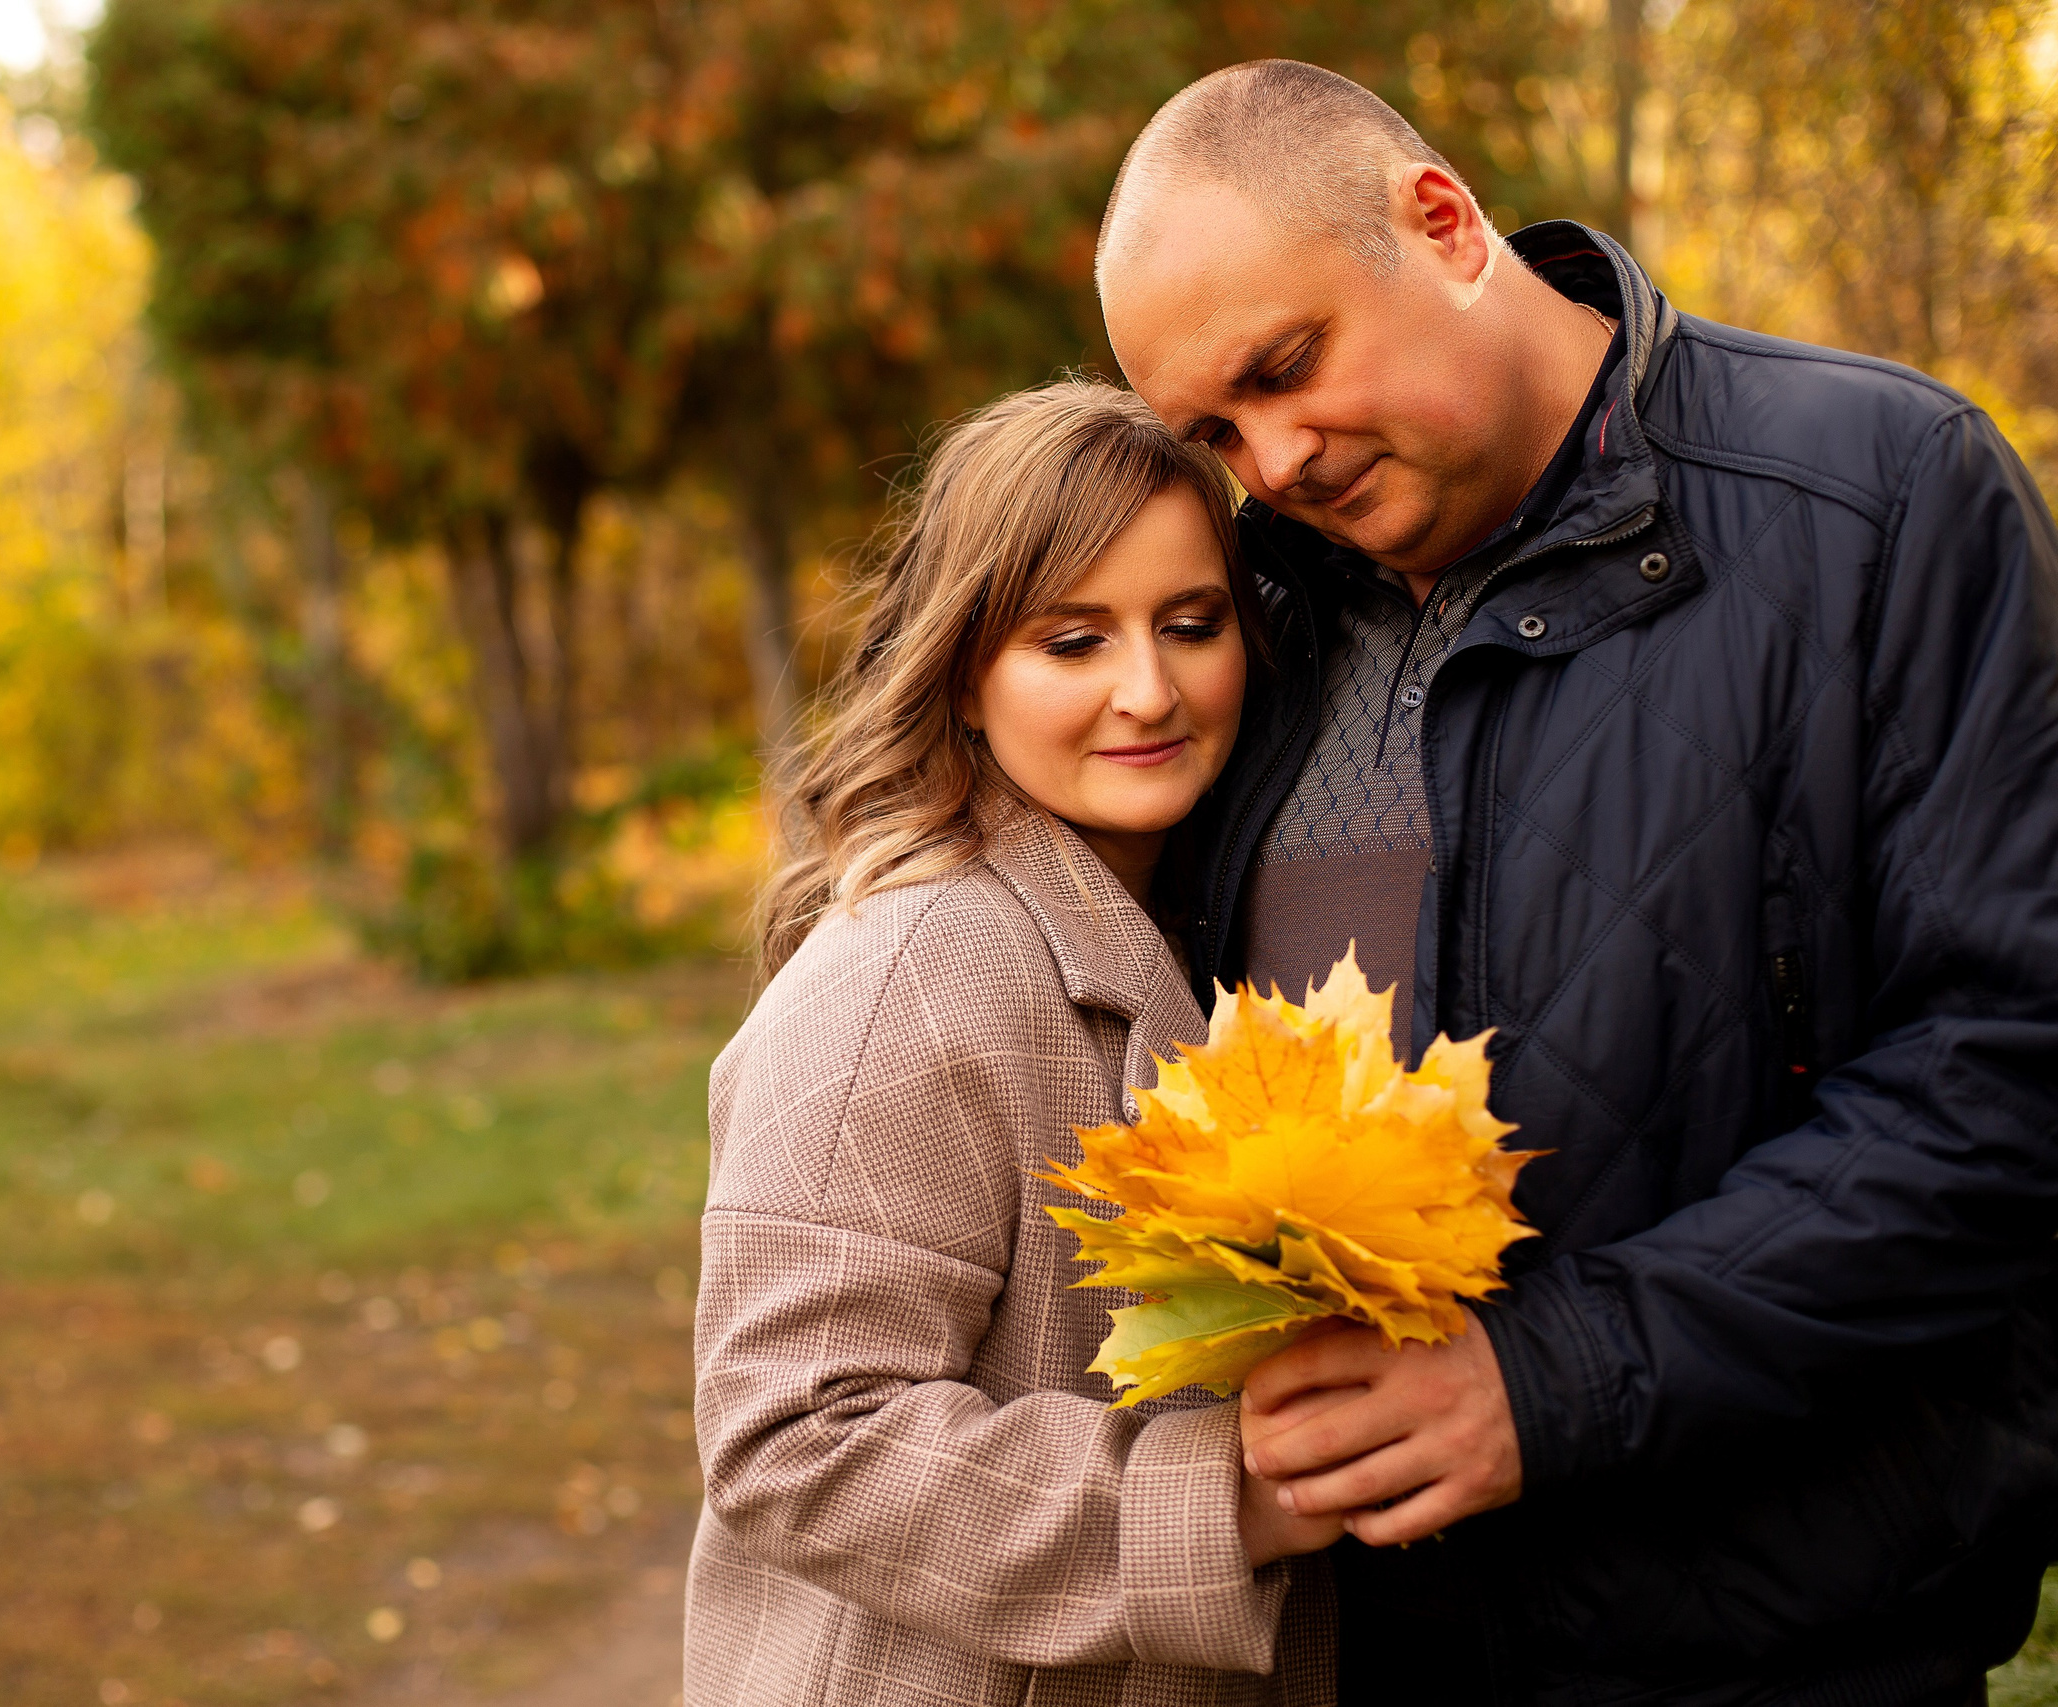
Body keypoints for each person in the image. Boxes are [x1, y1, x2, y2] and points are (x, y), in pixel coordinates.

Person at [1094, 58, 2058, 1707]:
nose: (1274, 461)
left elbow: (2011, 1078)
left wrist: (1549, 1384)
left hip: (1788, 1646)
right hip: (1358, 1653)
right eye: (1212, 429)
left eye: (1287, 366)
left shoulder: (1880, 495)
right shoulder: (1245, 615)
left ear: (1446, 225)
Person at [686, 378, 1342, 1707]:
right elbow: (793, 1430)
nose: (1147, 691)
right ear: (967, 674)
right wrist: (1228, 1502)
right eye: (1072, 642)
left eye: (1190, 625)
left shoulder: (1207, 925)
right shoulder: (915, 966)